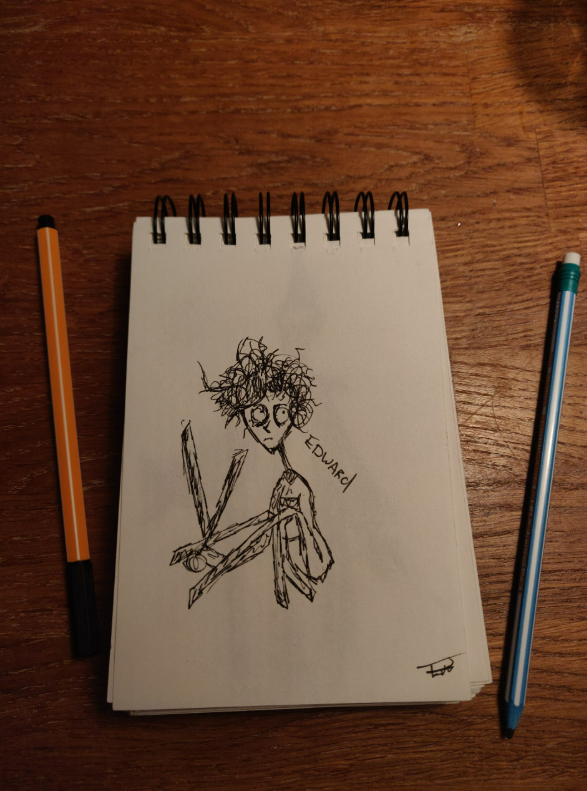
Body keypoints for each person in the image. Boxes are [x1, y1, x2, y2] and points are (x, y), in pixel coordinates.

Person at [170, 338, 334, 608]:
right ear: (244, 412)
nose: (270, 425)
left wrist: (302, 520)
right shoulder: (237, 463)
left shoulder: (292, 483)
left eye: (281, 412)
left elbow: (317, 567)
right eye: (259, 412)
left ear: (293, 413)